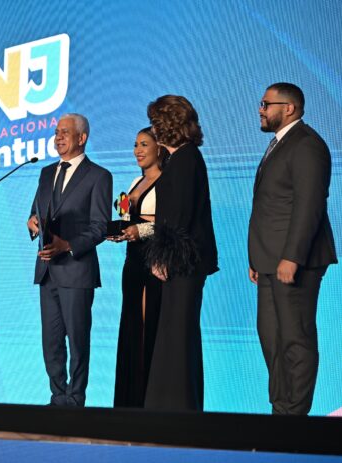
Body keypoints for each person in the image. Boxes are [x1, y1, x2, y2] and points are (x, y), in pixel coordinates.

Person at [248, 82, 337, 415]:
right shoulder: (279, 144)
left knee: (295, 340)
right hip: (268, 261)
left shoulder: (307, 144)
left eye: (266, 104)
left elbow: (309, 205)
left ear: (289, 108)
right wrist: (257, 258)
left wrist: (292, 257)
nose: (260, 110)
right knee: (271, 338)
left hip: (293, 262)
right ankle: (280, 412)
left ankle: (294, 419)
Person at [27, 113, 112, 407]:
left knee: (77, 341)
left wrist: (68, 246)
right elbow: (37, 211)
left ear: (82, 137)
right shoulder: (46, 173)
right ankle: (57, 398)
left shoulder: (99, 176)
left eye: (65, 132)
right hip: (47, 270)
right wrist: (33, 223)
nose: (58, 137)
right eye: (56, 132)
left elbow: (100, 227)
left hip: (77, 270)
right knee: (51, 342)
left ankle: (75, 400)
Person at [143, 95, 219, 411]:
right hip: (180, 261)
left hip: (183, 263)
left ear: (167, 124)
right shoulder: (178, 159)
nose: (152, 129)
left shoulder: (187, 158)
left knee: (179, 334)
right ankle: (171, 407)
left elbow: (181, 215)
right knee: (174, 334)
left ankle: (178, 408)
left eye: (155, 122)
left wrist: (164, 257)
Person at [109, 127, 166, 408]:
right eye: (135, 145)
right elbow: (126, 217)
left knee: (147, 328)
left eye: (144, 144)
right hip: (131, 262)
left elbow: (169, 224)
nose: (137, 151)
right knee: (131, 327)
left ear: (159, 148)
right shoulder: (135, 181)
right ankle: (128, 403)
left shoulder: (168, 182)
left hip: (153, 261)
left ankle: (146, 401)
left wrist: (139, 230)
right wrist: (120, 226)